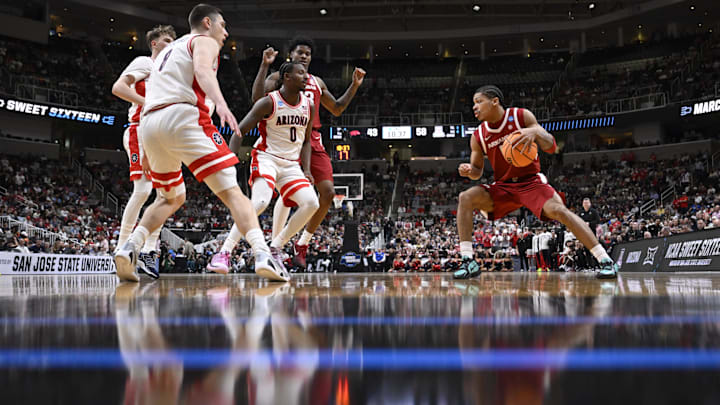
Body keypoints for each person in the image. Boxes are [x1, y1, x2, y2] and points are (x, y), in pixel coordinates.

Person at [114, 3, 286, 282]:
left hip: (151, 125)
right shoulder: (203, 40)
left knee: (171, 197)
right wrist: (220, 104)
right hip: (184, 117)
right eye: (223, 25)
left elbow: (150, 100)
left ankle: (129, 247)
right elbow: (204, 72)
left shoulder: (164, 54)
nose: (226, 33)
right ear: (207, 22)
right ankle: (263, 254)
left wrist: (147, 149)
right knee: (234, 194)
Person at [452, 85, 618, 279]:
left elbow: (551, 145)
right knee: (466, 197)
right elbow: (477, 171)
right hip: (504, 186)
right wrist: (469, 171)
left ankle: (605, 260)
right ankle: (468, 261)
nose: (475, 107)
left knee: (561, 211)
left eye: (479, 102)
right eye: (474, 104)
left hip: (531, 182)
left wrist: (536, 133)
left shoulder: (520, 116)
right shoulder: (478, 135)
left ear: (494, 101)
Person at [251, 38, 366, 269]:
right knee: (287, 196)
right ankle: (277, 246)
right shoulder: (277, 78)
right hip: (286, 140)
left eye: (308, 54)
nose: (304, 56)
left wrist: (354, 85)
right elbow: (257, 101)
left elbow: (337, 108)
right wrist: (264, 66)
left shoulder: (316, 82)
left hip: (312, 140)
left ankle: (302, 243)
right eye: (300, 52)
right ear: (290, 55)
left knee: (328, 193)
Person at [208, 61, 319, 274]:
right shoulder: (269, 102)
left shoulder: (309, 105)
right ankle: (224, 253)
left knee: (311, 203)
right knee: (260, 201)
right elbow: (238, 131)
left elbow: (306, 141)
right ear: (287, 76)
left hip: (291, 165)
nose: (306, 77)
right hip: (266, 157)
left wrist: (306, 169)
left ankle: (276, 246)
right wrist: (231, 161)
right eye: (301, 73)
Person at [111, 25, 176, 279]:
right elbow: (119, 88)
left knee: (166, 195)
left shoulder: (172, 73)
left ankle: (150, 250)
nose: (171, 44)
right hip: (140, 129)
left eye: (174, 41)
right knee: (143, 189)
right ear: (154, 44)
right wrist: (149, 103)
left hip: (162, 135)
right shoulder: (144, 63)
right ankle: (123, 245)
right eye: (167, 40)